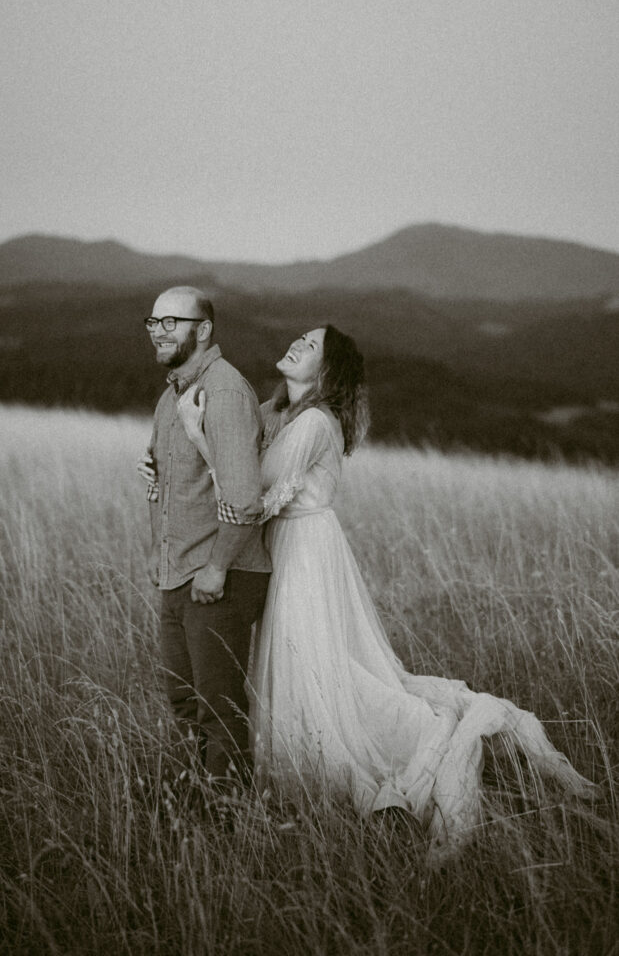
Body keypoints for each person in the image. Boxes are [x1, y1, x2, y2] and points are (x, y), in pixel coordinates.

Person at [171, 323, 595, 855]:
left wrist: (196, 435)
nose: (297, 344)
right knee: (309, 662)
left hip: (305, 553)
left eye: (311, 345)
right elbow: (247, 464)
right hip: (298, 545)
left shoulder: (314, 425)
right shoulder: (285, 415)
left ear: (326, 372)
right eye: (300, 336)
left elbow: (250, 491)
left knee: (314, 663)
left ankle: (389, 752)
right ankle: (303, 757)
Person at [138, 286, 271, 782]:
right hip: (179, 572)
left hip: (221, 576)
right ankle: (194, 805)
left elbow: (243, 500)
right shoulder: (170, 395)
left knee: (218, 708)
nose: (159, 331)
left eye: (171, 321)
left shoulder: (226, 391)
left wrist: (216, 569)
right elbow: (164, 480)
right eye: (153, 323)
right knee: (184, 700)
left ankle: (228, 823)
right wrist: (157, 548)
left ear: (204, 329)